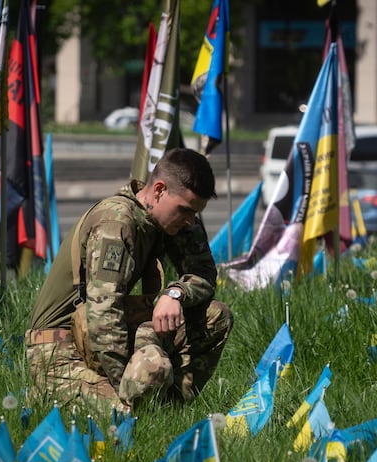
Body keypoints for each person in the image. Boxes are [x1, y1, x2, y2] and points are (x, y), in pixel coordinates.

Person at [25, 148, 233, 411]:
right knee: (127, 415)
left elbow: (204, 274)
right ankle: (51, 393)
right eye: (185, 210)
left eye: (196, 213)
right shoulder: (117, 222)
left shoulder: (173, 219)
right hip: (60, 348)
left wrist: (176, 294)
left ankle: (170, 407)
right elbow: (104, 316)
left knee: (216, 317)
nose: (191, 220)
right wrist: (128, 386)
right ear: (158, 190)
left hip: (107, 334)